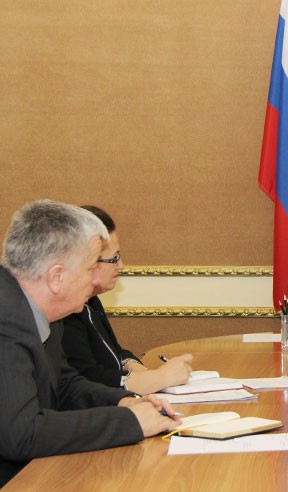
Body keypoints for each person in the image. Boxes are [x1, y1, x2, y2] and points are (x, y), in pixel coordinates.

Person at [0, 200, 180, 487]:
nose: (95, 279)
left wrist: (123, 402)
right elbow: (22, 434)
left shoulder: (46, 310)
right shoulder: (6, 320)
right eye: (89, 268)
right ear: (56, 277)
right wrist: (129, 422)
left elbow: (64, 385)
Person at [61, 206, 193, 395]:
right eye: (114, 258)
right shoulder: (64, 312)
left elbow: (114, 353)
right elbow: (87, 380)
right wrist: (160, 378)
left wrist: (133, 366)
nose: (121, 265)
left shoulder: (91, 300)